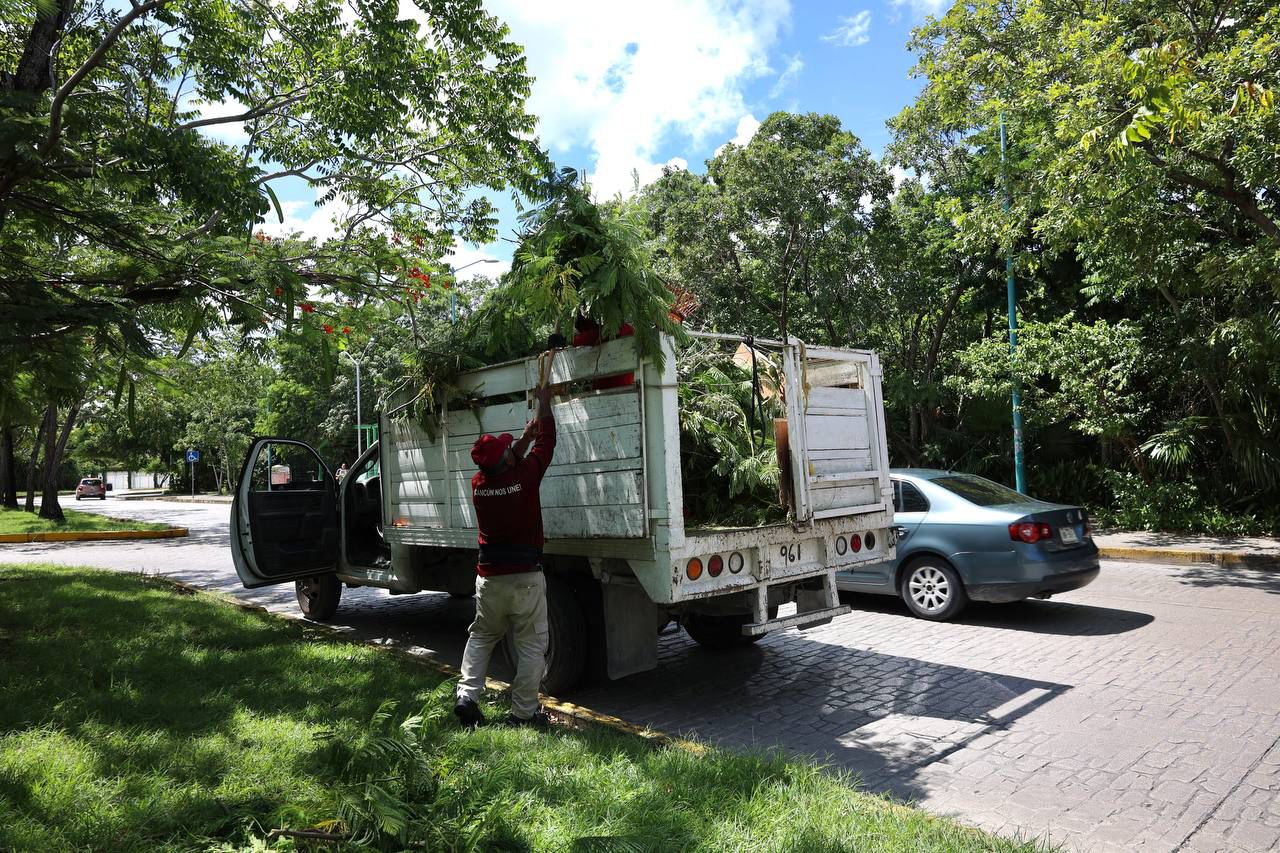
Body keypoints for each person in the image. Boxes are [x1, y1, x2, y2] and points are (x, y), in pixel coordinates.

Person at [454, 373, 557, 729]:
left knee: (482, 636)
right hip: (526, 577)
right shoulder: (525, 478)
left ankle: (467, 696)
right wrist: (545, 402)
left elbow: (509, 462)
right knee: (530, 645)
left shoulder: (480, 483)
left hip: (490, 579)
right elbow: (550, 442)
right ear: (507, 464)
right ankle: (523, 714)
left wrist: (525, 438)